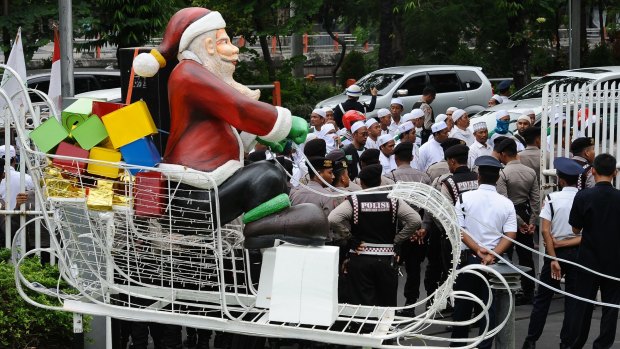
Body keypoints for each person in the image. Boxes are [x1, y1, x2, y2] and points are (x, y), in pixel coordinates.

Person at [132, 7, 323, 250]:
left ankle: (266, 230)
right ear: (209, 46)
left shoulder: (194, 73)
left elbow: (222, 132)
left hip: (204, 186)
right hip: (192, 194)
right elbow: (240, 108)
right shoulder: (189, 74)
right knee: (267, 175)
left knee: (267, 173)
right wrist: (284, 123)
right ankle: (261, 236)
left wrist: (259, 135)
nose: (235, 49)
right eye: (225, 41)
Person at [328, 164, 423, 307]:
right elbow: (415, 220)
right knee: (386, 302)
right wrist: (397, 240)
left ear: (362, 183)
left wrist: (349, 237)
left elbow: (333, 219)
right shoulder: (393, 200)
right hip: (386, 258)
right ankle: (385, 328)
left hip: (360, 257)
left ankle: (366, 328)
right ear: (379, 181)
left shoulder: (354, 201)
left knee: (363, 303)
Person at [451, 155, 517, 349]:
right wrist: (492, 254)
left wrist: (476, 250)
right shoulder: (506, 203)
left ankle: (458, 346)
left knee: (462, 311)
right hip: (494, 264)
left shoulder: (464, 198)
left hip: (468, 261)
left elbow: (459, 230)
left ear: (478, 176)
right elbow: (510, 233)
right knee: (489, 312)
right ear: (497, 178)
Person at [521, 157, 583, 349]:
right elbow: (588, 235)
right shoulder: (584, 198)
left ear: (561, 180)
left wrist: (554, 258)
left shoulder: (551, 198)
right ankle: (567, 343)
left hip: (553, 252)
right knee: (573, 300)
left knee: (543, 299)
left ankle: (531, 340)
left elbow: (545, 231)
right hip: (577, 254)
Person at [567, 153, 620, 349]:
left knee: (583, 304)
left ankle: (576, 343)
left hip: (589, 259)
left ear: (593, 171)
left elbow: (575, 229)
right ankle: (602, 345)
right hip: (615, 259)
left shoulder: (583, 196)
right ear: (615, 172)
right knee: (611, 306)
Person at [494, 138, 539, 305]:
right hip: (526, 212)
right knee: (526, 256)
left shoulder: (503, 173)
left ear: (504, 154)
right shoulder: (530, 172)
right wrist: (531, 221)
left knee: (505, 253)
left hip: (509, 216)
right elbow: (535, 199)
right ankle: (529, 291)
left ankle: (507, 290)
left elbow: (504, 201)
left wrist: (519, 222)